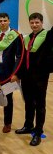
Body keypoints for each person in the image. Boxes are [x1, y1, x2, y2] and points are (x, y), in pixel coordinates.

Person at [15, 12, 53, 146]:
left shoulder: (48, 35)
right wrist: (18, 74)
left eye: (37, 22)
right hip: (27, 76)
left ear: (42, 23)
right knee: (29, 102)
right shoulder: (28, 37)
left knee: (40, 105)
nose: (34, 25)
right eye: (32, 22)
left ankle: (38, 132)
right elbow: (22, 58)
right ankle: (28, 125)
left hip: (40, 77)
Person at [0, 13, 22, 133]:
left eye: (4, 20)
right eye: (0, 21)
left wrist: (15, 73)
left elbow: (18, 56)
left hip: (8, 71)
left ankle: (7, 123)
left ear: (9, 21)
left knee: (8, 98)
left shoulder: (15, 35)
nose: (2, 23)